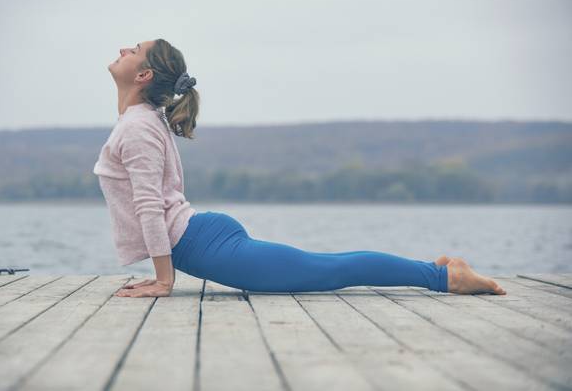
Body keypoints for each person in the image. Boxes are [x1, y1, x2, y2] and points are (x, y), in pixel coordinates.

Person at [93, 38, 507, 298]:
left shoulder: (139, 126)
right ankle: (434, 270)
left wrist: (164, 282)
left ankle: (444, 278)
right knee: (326, 265)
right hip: (200, 238)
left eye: (134, 50)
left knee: (329, 269)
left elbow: (150, 207)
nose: (125, 48)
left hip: (203, 245)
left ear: (144, 75)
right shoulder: (141, 122)